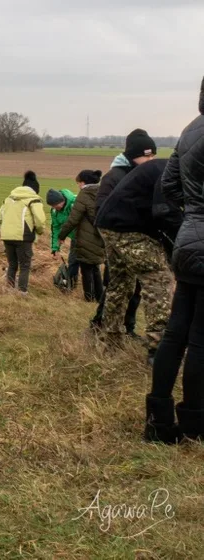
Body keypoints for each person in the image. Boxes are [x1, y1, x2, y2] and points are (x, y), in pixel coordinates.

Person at [148, 79, 204, 443]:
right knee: (200, 340)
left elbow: (168, 187)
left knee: (175, 332)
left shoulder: (189, 131)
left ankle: (159, 420)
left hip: (187, 242)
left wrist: (193, 216)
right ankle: (196, 425)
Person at [96, 155, 180, 364]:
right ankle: (158, 350)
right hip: (128, 227)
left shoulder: (165, 167)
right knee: (159, 277)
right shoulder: (168, 174)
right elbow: (166, 214)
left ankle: (110, 342)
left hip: (110, 224)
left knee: (120, 284)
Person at [92, 129, 158, 332]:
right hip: (120, 240)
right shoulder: (114, 177)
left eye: (152, 155)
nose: (150, 159)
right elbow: (101, 211)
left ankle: (128, 328)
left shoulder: (145, 175)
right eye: (145, 155)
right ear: (132, 155)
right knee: (118, 286)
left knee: (134, 288)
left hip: (141, 241)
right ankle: (99, 325)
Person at [0, 171, 46, 295]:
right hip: (23, 236)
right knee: (25, 265)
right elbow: (40, 220)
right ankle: (22, 292)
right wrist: (40, 231)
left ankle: (9, 289)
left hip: (6, 236)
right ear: (35, 189)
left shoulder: (9, 199)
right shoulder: (33, 200)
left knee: (12, 264)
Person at [57, 170, 105, 302]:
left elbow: (73, 219)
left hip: (85, 237)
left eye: (78, 183)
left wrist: (62, 235)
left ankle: (89, 298)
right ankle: (99, 297)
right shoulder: (103, 192)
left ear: (83, 183)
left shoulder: (84, 195)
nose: (78, 186)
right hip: (100, 236)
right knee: (95, 268)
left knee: (86, 270)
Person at [46, 187, 79, 290]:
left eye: (56, 205)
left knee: (89, 264)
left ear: (62, 201)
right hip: (75, 239)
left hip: (87, 237)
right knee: (73, 261)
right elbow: (55, 228)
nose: (54, 208)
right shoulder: (55, 211)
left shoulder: (76, 203)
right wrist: (55, 248)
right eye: (52, 206)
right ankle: (70, 286)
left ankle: (93, 292)